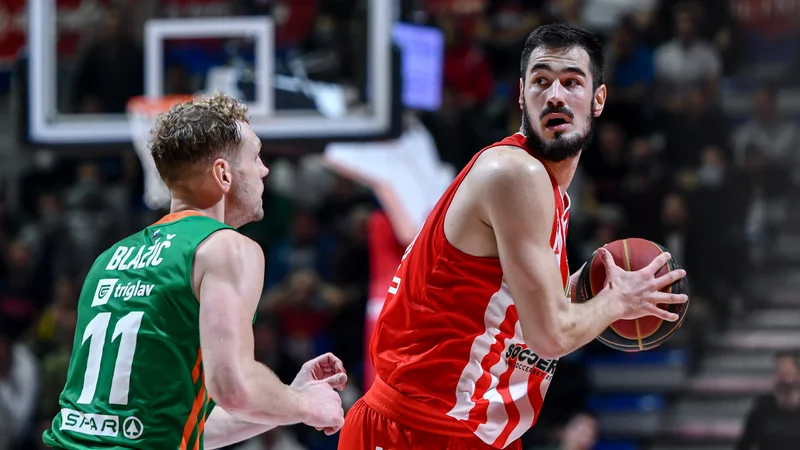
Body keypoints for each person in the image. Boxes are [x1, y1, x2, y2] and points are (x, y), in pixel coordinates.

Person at [338, 23, 688, 450]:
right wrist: (619, 300)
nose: (555, 95)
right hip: (418, 429)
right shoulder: (515, 173)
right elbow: (551, 336)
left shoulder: (549, 193)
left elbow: (506, 304)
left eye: (572, 82)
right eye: (542, 81)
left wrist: (585, 287)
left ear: (598, 100)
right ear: (522, 95)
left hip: (477, 433)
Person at [42, 93, 347, 449]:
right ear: (223, 173)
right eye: (257, 156)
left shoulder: (108, 260)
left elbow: (183, 428)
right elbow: (232, 387)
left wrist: (287, 401)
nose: (264, 169)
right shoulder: (226, 247)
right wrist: (309, 405)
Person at [737, 350, 800, 449]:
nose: (785, 379)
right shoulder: (762, 409)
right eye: (780, 372)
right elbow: (744, 445)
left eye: (789, 372)